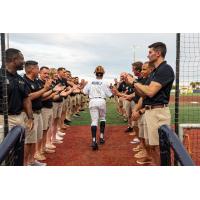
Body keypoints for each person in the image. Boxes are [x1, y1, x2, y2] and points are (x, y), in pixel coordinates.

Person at [126, 42, 175, 165]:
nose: (148, 55)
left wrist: (133, 83)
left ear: (158, 53)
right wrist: (132, 84)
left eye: (150, 52)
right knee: (151, 147)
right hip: (150, 111)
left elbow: (151, 92)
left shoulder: (165, 69)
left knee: (159, 148)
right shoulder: (155, 71)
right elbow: (143, 94)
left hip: (157, 112)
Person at [0, 48, 33, 144]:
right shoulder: (1, 76)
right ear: (14, 60)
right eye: (21, 59)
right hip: (3, 118)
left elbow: (26, 99)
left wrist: (30, 118)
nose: (24, 62)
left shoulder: (20, 79)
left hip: (19, 118)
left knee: (18, 149)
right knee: (3, 150)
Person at [83, 66, 113, 150]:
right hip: (102, 101)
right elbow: (110, 95)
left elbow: (84, 92)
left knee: (94, 121)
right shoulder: (105, 82)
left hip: (92, 101)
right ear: (103, 73)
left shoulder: (90, 82)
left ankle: (93, 140)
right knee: (102, 118)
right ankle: (101, 136)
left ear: (95, 73)